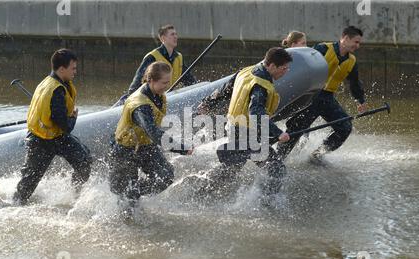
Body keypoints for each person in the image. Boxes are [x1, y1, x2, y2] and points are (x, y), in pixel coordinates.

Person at [202, 48, 292, 198]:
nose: (286, 72)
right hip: (246, 133)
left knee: (232, 169)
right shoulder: (260, 86)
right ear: (272, 66)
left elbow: (225, 89)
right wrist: (278, 133)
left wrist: (208, 102)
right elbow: (256, 113)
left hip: (233, 127)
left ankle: (203, 192)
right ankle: (266, 202)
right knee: (276, 168)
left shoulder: (246, 71)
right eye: (283, 68)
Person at [13, 49, 92, 206]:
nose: (75, 71)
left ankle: (74, 196)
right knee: (29, 183)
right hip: (43, 141)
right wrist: (74, 118)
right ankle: (15, 205)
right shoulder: (56, 90)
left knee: (84, 160)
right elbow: (65, 126)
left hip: (51, 136)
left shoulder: (48, 82)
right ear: (62, 69)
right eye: (73, 68)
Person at [109, 61, 193, 211]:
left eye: (168, 82)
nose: (167, 86)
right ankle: (129, 197)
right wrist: (181, 148)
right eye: (164, 83)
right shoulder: (140, 105)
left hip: (145, 146)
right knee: (127, 207)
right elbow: (154, 132)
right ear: (150, 80)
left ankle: (133, 192)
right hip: (125, 151)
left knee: (165, 176)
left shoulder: (157, 93)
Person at [277, 26, 367, 162]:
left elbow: (354, 83)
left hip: (327, 99)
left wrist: (360, 100)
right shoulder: (323, 49)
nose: (358, 46)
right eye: (356, 42)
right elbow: (301, 65)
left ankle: (317, 155)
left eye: (359, 43)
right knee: (296, 129)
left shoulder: (352, 61)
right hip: (310, 96)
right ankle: (277, 160)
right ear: (346, 38)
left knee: (345, 127)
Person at [126, 24, 197, 98]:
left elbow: (190, 80)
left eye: (176, 34)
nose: (175, 37)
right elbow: (137, 82)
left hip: (168, 97)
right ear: (163, 38)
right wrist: (132, 98)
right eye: (172, 34)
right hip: (151, 98)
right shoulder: (152, 57)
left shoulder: (179, 57)